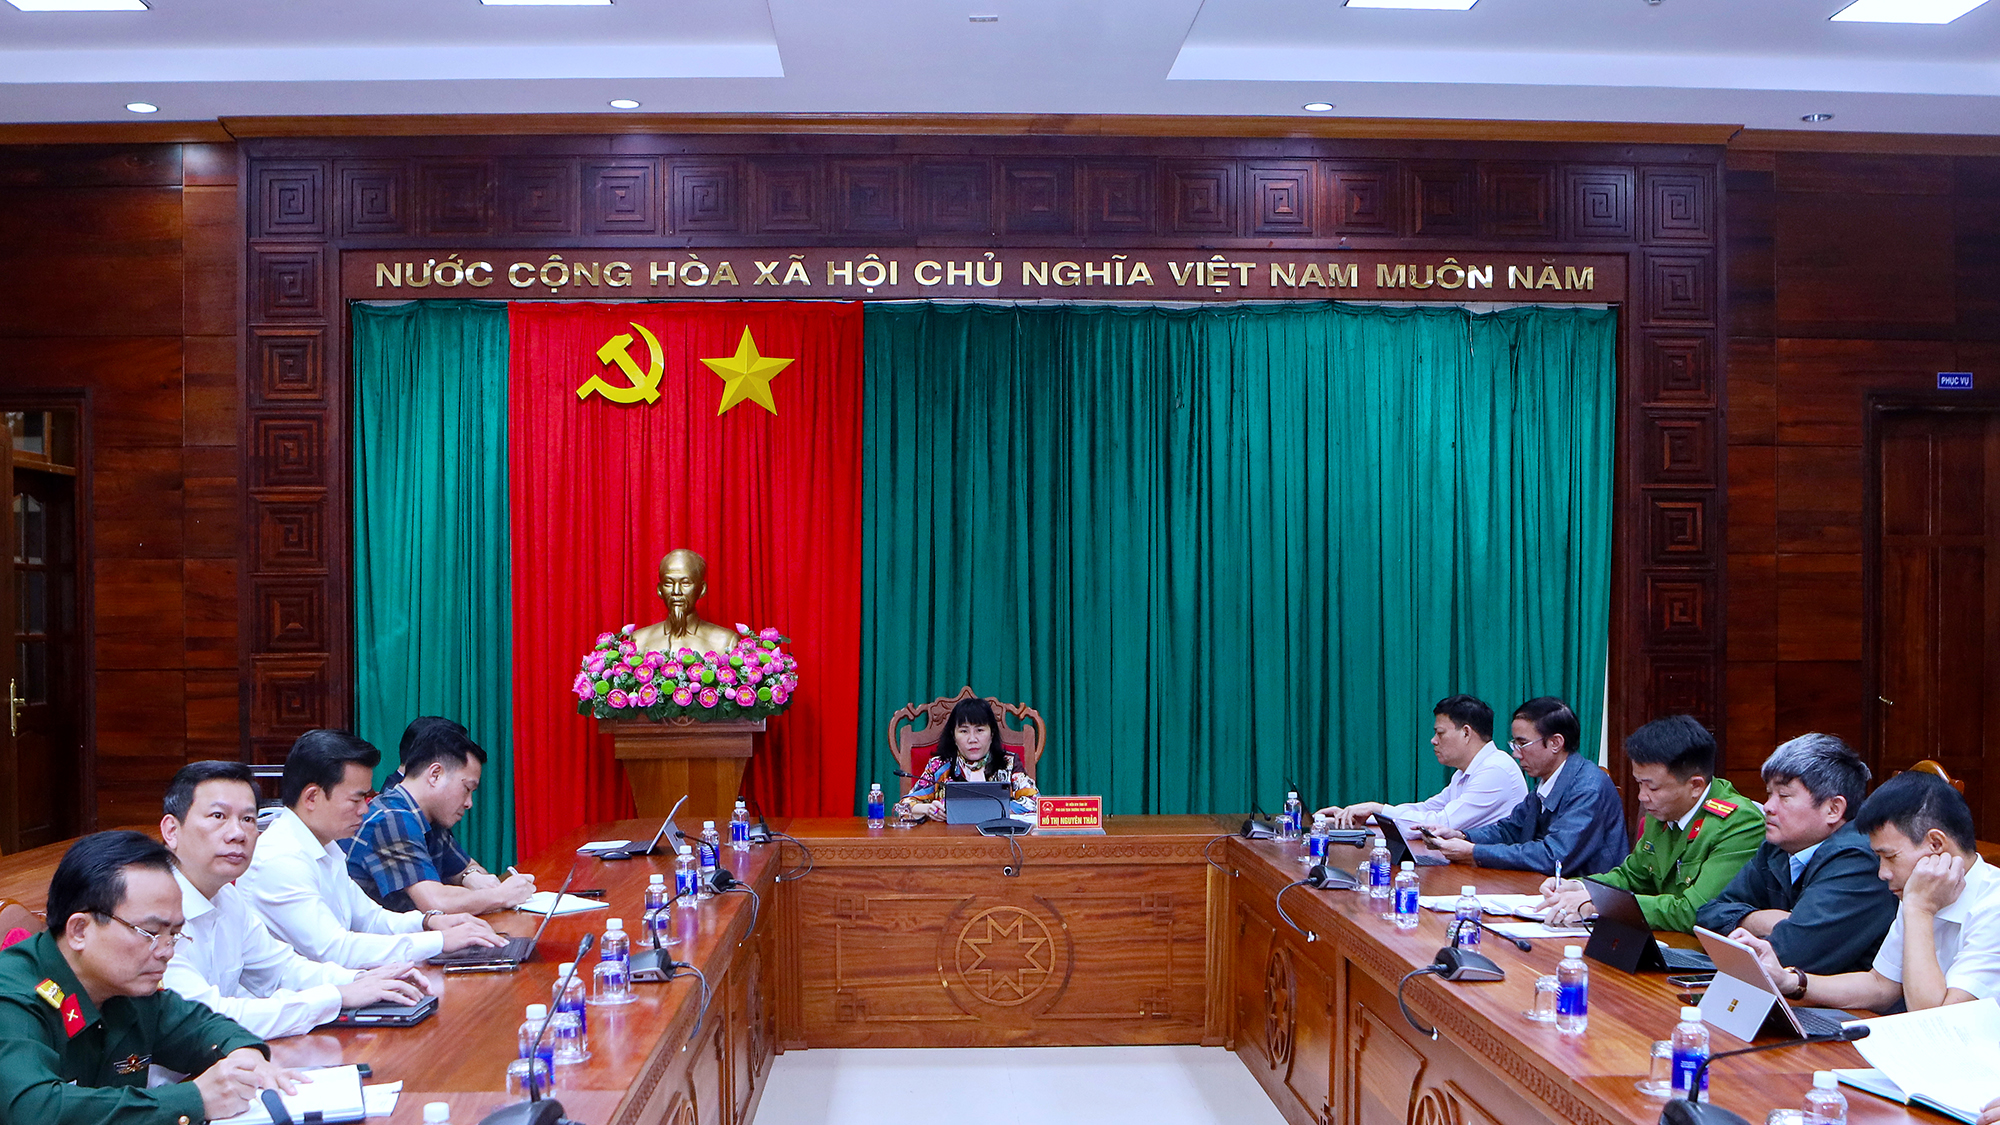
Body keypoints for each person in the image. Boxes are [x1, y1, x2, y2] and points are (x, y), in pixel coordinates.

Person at [0, 830, 303, 1125]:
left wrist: (244, 1056)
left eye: (174, 934)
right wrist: (194, 1100)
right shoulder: (13, 995)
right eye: (150, 933)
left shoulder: (128, 987)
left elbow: (205, 1028)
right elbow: (33, 1109)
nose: (166, 951)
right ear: (80, 930)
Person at [159, 761, 431, 1040]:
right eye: (218, 816)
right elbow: (206, 1018)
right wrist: (337, 996)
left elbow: (281, 970)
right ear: (171, 831)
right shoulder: (152, 913)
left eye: (248, 819)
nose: (237, 833)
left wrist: (361, 981)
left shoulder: (226, 897)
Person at [1737, 771, 1999, 1013]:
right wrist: (1789, 980)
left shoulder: (1990, 906)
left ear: (1936, 844)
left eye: (1890, 857)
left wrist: (1919, 910)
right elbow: (1880, 985)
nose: (1882, 873)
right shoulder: (1921, 890)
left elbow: (1937, 1021)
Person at [239, 730, 503, 969]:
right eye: (357, 799)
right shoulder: (280, 859)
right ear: (312, 798)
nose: (365, 809)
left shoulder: (325, 846)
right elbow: (336, 950)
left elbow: (371, 919)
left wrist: (429, 923)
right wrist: (440, 941)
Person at [1693, 733, 1896, 974]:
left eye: (1784, 796)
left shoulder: (1858, 861)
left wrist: (1750, 927)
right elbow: (1708, 916)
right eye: (1769, 794)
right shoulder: (1779, 847)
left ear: (1833, 809)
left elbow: (1788, 955)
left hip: (1843, 997)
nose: (1768, 807)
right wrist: (1760, 920)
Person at [1539, 715, 1763, 931]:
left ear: (1695, 786)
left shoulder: (1739, 823)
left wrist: (1600, 903)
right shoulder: (1664, 812)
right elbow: (1631, 877)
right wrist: (1579, 887)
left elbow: (1696, 911)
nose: (1642, 797)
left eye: (1653, 787)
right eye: (1639, 783)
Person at [1419, 696, 1627, 876]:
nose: (1516, 753)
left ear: (1555, 743)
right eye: (1514, 744)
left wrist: (1474, 852)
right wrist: (1463, 836)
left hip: (1586, 899)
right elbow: (1510, 830)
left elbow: (1553, 855)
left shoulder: (1588, 787)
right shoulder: (1546, 782)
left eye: (1522, 743)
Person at [346, 717, 535, 914]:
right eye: (467, 788)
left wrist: (471, 876)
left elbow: (465, 867)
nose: (469, 803)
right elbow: (435, 902)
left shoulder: (429, 816)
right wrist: (501, 895)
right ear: (435, 775)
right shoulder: (391, 818)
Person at [1316, 694, 1526, 836]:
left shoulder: (1494, 770)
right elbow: (1426, 809)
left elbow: (1440, 824)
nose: (1433, 741)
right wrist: (1366, 815)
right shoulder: (1465, 772)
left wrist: (1378, 808)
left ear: (1466, 733)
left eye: (1440, 733)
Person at [893, 696, 1039, 823]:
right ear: (954, 736)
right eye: (964, 731)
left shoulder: (1008, 763)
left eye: (980, 730)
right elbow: (902, 807)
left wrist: (993, 809)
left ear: (992, 734)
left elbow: (1036, 803)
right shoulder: (940, 766)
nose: (972, 739)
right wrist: (928, 809)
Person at [630, 548, 740, 657]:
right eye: (669, 583)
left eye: (685, 583)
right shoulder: (638, 641)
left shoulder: (725, 642)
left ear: (702, 589)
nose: (676, 591)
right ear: (659, 590)